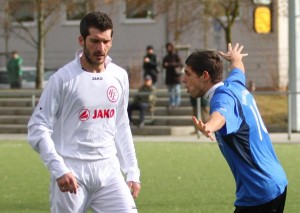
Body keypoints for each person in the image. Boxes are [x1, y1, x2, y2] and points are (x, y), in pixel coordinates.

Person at [27, 12, 141, 213]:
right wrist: (59, 168)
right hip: (72, 172)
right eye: (95, 41)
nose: (101, 48)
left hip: (109, 171)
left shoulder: (119, 76)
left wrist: (132, 170)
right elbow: (37, 127)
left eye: (106, 41)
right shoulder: (63, 79)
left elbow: (121, 125)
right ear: (81, 40)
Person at [183, 43, 288, 213]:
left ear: (205, 76)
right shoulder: (234, 83)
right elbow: (238, 69)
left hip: (260, 191)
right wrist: (235, 58)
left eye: (188, 74)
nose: (183, 79)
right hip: (272, 183)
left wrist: (209, 126)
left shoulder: (222, 98)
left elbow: (221, 115)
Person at [162, 42, 182, 109]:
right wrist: (165, 65)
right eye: (167, 47)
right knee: (170, 92)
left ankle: (177, 103)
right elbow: (163, 65)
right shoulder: (166, 57)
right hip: (169, 77)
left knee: (177, 91)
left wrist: (169, 64)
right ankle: (172, 103)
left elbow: (180, 64)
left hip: (176, 77)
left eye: (170, 47)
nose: (169, 48)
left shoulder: (176, 55)